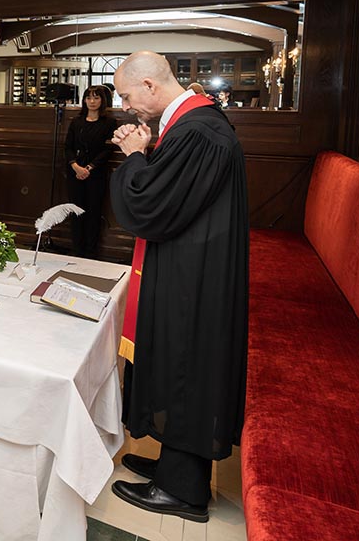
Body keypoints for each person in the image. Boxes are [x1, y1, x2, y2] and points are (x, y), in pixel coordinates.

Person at [107, 51, 248, 523]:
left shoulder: (198, 131)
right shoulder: (194, 123)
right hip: (195, 261)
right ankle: (175, 465)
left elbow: (151, 205)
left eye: (127, 95)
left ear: (149, 85)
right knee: (179, 359)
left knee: (187, 363)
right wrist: (146, 154)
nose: (126, 106)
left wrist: (133, 157)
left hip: (195, 274)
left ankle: (182, 490)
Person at [64, 85, 119, 259]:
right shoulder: (76, 122)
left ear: (103, 100)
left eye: (96, 98)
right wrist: (75, 166)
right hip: (75, 172)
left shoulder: (109, 122)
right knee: (76, 211)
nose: (92, 101)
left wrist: (89, 168)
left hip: (96, 174)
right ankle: (77, 249)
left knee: (93, 212)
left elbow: (107, 149)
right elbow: (68, 147)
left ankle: (90, 251)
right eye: (89, 98)